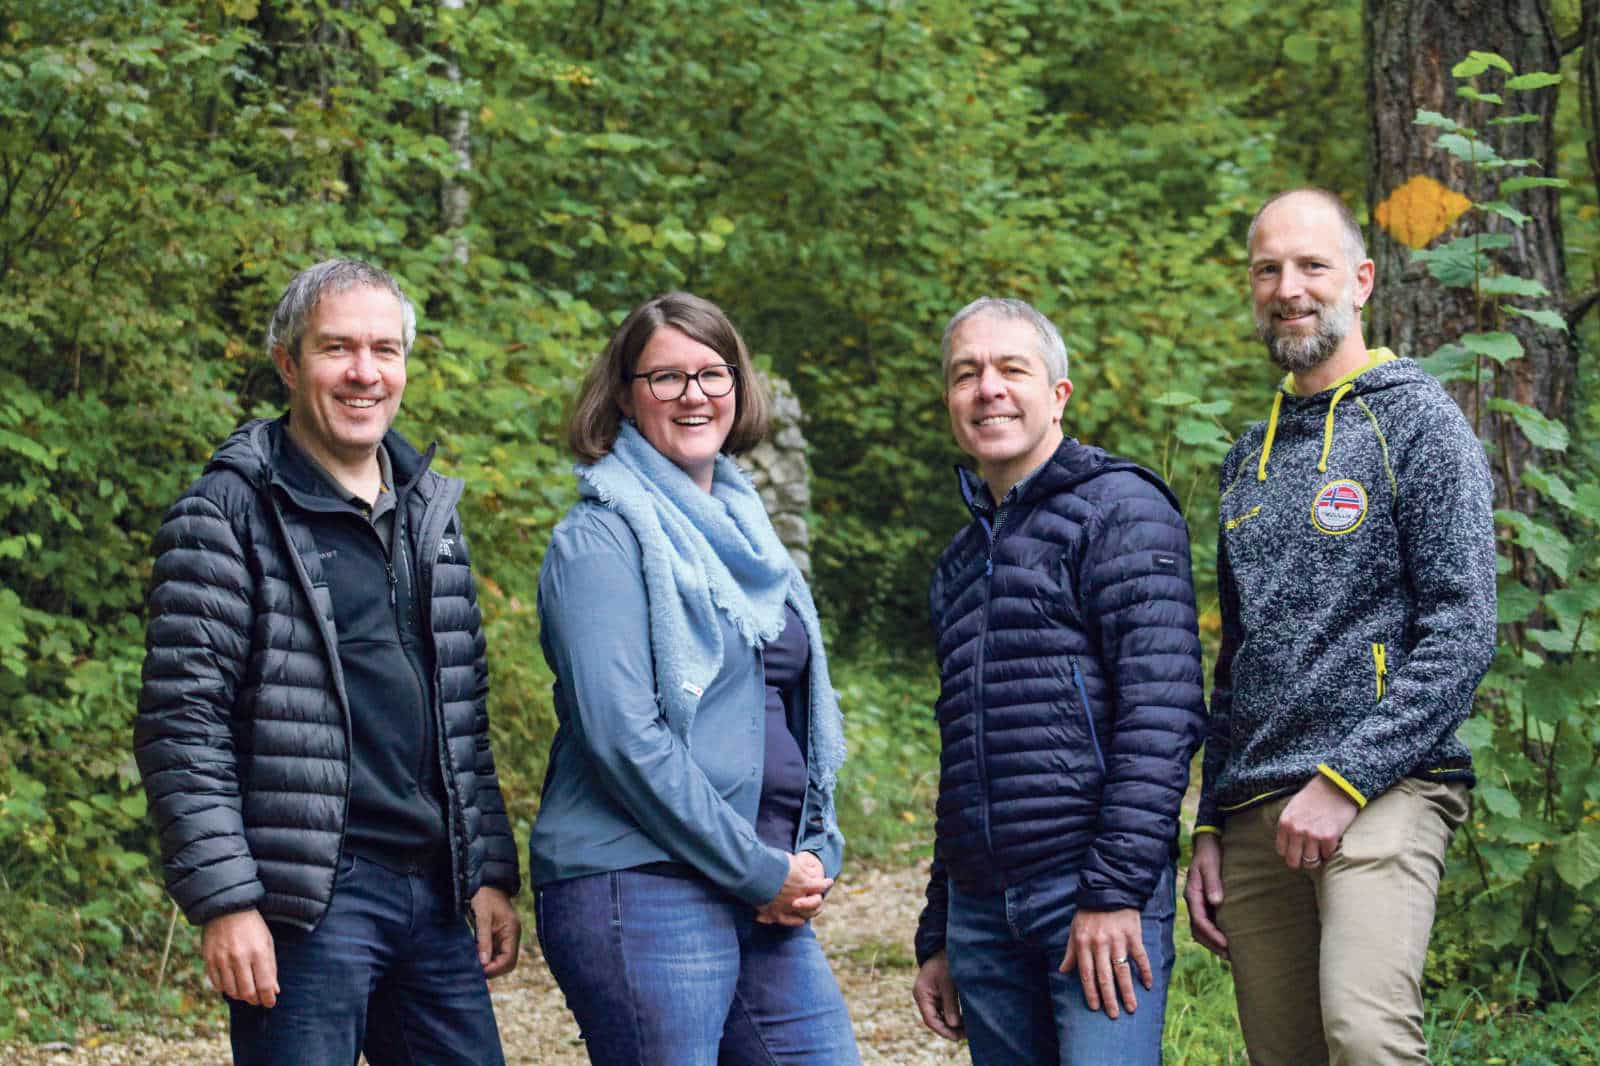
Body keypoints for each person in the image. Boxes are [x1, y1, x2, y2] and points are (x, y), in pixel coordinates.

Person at [134, 259, 521, 1066]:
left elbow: (463, 715)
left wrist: (486, 871)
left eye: (385, 350)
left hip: (434, 892)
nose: (364, 373)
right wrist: (226, 902)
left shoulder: (429, 514)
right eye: (336, 348)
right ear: (287, 362)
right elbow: (183, 724)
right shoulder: (226, 514)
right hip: (309, 899)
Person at [1184, 188, 1497, 1065]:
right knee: (1286, 1054)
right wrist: (1208, 821)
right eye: (1267, 269)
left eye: (1312, 266)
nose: (1289, 288)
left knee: (1364, 1036)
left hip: (1387, 785)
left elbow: (1463, 629)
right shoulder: (1248, 455)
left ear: (1359, 281)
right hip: (1256, 808)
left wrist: (1347, 779)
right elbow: (1235, 662)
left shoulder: (1419, 421)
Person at [528, 291, 860, 1065]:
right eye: (666, 377)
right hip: (639, 884)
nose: (694, 395)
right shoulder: (601, 539)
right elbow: (621, 739)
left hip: (754, 878)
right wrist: (757, 870)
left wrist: (811, 848)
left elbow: (789, 710)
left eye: (713, 373)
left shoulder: (751, 537)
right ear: (624, 393)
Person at [910, 297, 1206, 1065]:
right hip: (981, 913)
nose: (988, 389)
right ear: (949, 400)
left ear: (1059, 394)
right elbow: (965, 753)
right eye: (966, 374)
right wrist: (938, 929)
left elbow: (1161, 717)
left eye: (1013, 369)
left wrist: (1113, 893)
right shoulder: (959, 562)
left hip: (1090, 896)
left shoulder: (1121, 511)